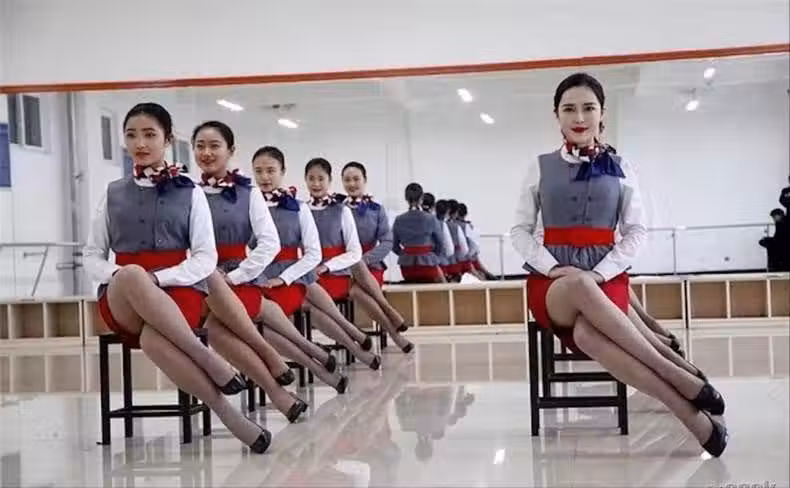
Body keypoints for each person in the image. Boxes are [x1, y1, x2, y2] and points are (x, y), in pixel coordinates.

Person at [511, 73, 727, 457]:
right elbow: (519, 231)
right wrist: (552, 267)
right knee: (579, 286)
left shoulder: (621, 166)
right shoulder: (539, 166)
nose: (580, 117)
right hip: (553, 284)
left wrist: (601, 272)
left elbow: (636, 231)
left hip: (606, 278)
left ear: (602, 114)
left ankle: (692, 417)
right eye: (569, 109)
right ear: (557, 116)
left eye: (588, 108)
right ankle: (680, 374)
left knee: (588, 335)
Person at [83, 103, 271, 453]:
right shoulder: (112, 192)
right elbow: (91, 255)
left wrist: (159, 280)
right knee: (133, 274)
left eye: (149, 134)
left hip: (178, 292)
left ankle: (230, 416)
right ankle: (206, 357)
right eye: (131, 135)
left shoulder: (190, 191)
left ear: (167, 140)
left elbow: (205, 258)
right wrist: (122, 275)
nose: (140, 143)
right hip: (122, 298)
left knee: (154, 340)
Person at [193, 121, 308, 422]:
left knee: (215, 329)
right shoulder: (187, 192)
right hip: (194, 279)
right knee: (214, 323)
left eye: (214, 145)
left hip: (236, 278)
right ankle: (273, 369)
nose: (206, 152)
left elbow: (269, 243)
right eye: (200, 146)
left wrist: (236, 276)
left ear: (231, 150)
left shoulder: (248, 192)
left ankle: (277, 393)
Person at [251, 146, 349, 393]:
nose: (264, 177)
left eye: (271, 170)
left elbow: (313, 254)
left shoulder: (298, 207)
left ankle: (314, 359)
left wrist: (284, 278)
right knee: (251, 325)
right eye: (259, 171)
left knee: (253, 323)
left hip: (289, 280)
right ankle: (315, 358)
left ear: (283, 171)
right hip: (253, 277)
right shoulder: (247, 204)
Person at [304, 157, 382, 370]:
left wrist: (328, 266)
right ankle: (354, 339)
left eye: (321, 178)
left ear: (330, 181)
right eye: (311, 178)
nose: (316, 184)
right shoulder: (300, 209)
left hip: (335, 275)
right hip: (307, 274)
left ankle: (345, 343)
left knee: (307, 301)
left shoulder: (341, 210)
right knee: (306, 302)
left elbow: (354, 252)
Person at [341, 161, 414, 352]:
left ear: (364, 180)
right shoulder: (337, 209)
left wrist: (365, 259)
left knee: (359, 290)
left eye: (356, 179)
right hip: (343, 267)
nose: (352, 184)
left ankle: (393, 331)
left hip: (370, 265)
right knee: (355, 291)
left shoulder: (376, 209)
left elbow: (387, 242)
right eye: (347, 180)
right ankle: (393, 327)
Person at [392, 183, 447, 283]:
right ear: (421, 198)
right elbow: (440, 243)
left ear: (406, 198)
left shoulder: (399, 219)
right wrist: (432, 256)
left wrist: (404, 254)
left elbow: (393, 245)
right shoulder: (430, 218)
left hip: (407, 266)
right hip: (428, 265)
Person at [434, 199, 458, 279]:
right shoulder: (443, 225)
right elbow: (450, 249)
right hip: (442, 263)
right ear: (447, 211)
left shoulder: (431, 221)